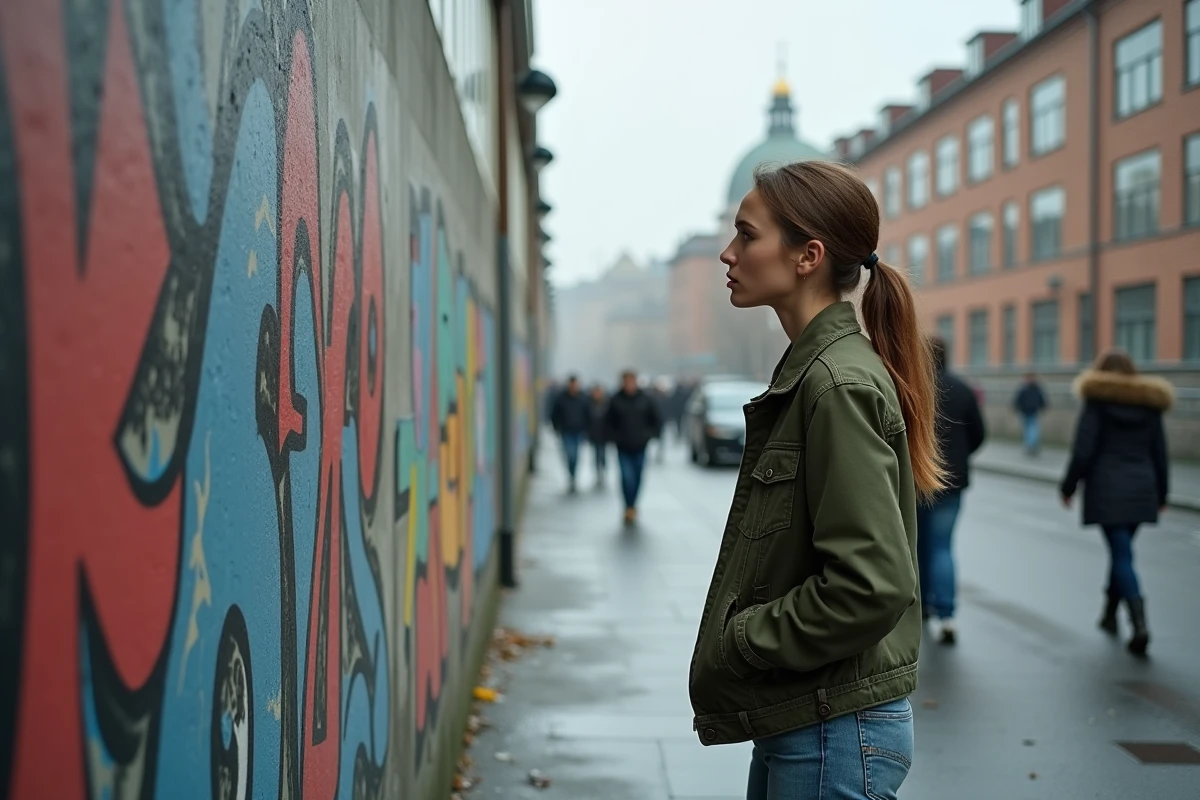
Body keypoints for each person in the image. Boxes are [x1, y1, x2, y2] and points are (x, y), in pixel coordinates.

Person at [689, 161, 943, 799]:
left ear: (808, 255)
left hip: (834, 729)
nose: (728, 252)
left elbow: (871, 586)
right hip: (812, 718)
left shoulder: (836, 384)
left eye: (747, 235)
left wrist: (747, 637)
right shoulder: (816, 374)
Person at [1060, 348, 1172, 658]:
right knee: (1122, 551)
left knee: (1121, 553)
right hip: (1142, 487)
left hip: (1107, 487)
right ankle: (1110, 613)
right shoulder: (1149, 405)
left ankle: (1139, 624)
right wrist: (1162, 493)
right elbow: (1160, 454)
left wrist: (1068, 486)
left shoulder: (1097, 403)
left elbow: (1083, 450)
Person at [918, 335, 986, 646]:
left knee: (916, 545)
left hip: (918, 481)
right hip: (952, 482)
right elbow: (979, 434)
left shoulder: (911, 385)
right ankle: (947, 614)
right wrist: (958, 458)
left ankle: (919, 607)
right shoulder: (962, 389)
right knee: (943, 546)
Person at [604, 370, 662, 524]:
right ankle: (628, 505)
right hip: (623, 446)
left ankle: (633, 504)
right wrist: (613, 437)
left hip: (640, 446)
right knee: (626, 477)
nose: (630, 385)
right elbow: (608, 421)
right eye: (627, 382)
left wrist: (650, 435)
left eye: (632, 381)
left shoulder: (645, 399)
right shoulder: (616, 400)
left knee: (637, 477)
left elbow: (655, 419)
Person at [549, 375, 591, 493]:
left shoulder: (583, 398)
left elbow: (588, 414)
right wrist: (556, 427)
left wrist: (587, 429)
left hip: (578, 431)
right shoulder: (561, 398)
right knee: (569, 454)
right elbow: (554, 413)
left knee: (575, 455)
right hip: (566, 431)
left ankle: (573, 476)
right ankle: (571, 475)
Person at [1013, 373, 1047, 456]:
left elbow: (1018, 400)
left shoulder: (1027, 388)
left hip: (1031, 411)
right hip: (1026, 411)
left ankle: (1030, 445)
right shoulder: (1031, 388)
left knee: (1031, 429)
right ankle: (1031, 445)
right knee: (1030, 429)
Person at [588, 384, 609, 488]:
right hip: (594, 434)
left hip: (604, 434)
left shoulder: (607, 404)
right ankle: (598, 472)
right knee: (597, 454)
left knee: (602, 454)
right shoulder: (589, 404)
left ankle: (603, 471)